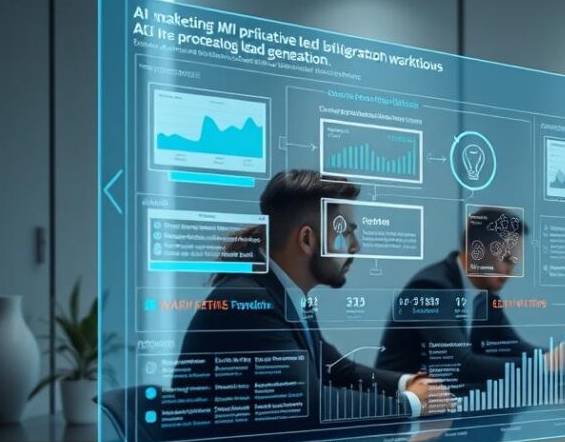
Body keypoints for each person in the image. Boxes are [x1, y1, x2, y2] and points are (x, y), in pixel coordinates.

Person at [174, 170, 441, 421]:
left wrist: (406, 383)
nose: (356, 247)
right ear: (306, 240)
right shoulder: (248, 303)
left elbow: (335, 369)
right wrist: (411, 404)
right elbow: (310, 405)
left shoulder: (286, 294)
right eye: (346, 233)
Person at [378, 208, 565, 395]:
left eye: (514, 262)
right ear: (475, 250)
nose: (511, 272)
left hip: (441, 409)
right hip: (399, 412)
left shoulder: (485, 298)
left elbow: (517, 348)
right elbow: (461, 364)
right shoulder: (429, 288)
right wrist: (543, 364)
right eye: (506, 259)